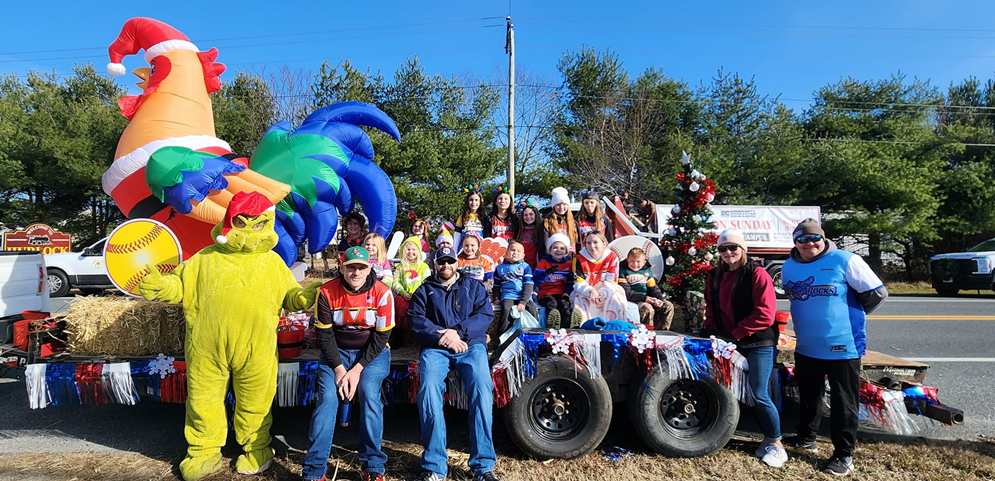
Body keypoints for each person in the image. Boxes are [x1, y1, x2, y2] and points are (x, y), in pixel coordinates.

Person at [781, 219, 888, 477]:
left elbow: (877, 293)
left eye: (814, 238)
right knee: (808, 395)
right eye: (803, 239)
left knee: (843, 402)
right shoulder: (788, 266)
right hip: (807, 344)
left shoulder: (846, 260)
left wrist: (851, 316)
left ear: (824, 238)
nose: (810, 243)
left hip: (843, 344)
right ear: (795, 242)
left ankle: (843, 454)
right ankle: (807, 438)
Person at [302, 246, 394, 481]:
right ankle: (314, 471)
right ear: (342, 267)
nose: (356, 272)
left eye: (361, 267)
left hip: (371, 354)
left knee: (369, 392)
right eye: (351, 267)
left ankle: (373, 467)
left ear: (369, 268)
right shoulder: (325, 292)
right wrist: (340, 369)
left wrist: (357, 369)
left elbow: (382, 337)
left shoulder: (383, 293)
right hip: (336, 354)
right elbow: (324, 335)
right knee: (327, 399)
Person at [408, 246, 499, 481]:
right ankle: (434, 466)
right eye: (441, 261)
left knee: (482, 388)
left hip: (470, 345)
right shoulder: (424, 290)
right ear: (434, 264)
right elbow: (416, 320)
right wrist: (442, 337)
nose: (445, 265)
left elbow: (485, 316)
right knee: (428, 391)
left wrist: (458, 333)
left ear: (456, 262)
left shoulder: (473, 287)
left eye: (450, 261)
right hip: (436, 347)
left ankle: (483, 466)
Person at [700, 230, 785, 468]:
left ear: (743, 249)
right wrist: (710, 331)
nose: (728, 253)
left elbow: (765, 315)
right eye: (722, 249)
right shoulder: (714, 275)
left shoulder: (757, 274)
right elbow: (711, 308)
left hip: (757, 342)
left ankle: (775, 442)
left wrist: (734, 335)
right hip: (728, 340)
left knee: (759, 392)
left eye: (733, 248)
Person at [570, 230, 628, 327]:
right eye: (588, 243)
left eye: (595, 242)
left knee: (616, 296)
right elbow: (578, 283)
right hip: (587, 290)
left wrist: (602, 293)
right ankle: (582, 326)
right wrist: (590, 291)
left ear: (604, 243)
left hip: (606, 289)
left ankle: (614, 327)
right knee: (578, 297)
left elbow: (612, 281)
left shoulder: (612, 257)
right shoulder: (579, 259)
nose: (592, 246)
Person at [619, 247, 674, 330]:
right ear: (627, 260)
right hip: (634, 300)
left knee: (668, 306)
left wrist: (660, 300)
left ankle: (663, 331)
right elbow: (626, 292)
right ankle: (646, 332)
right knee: (647, 308)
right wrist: (644, 298)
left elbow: (653, 288)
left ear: (644, 262)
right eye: (632, 261)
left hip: (647, 298)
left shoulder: (647, 271)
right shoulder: (623, 271)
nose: (635, 264)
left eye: (638, 262)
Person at [493, 240, 538, 337]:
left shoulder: (525, 267)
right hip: (508, 295)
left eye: (519, 251)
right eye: (513, 250)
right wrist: (496, 299)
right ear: (506, 253)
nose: (515, 253)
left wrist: (523, 302)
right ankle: (503, 337)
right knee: (506, 310)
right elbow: (496, 286)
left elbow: (528, 285)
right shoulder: (500, 268)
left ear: (523, 255)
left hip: (523, 296)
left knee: (532, 310)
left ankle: (535, 335)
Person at [535, 233, 574, 329]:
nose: (558, 250)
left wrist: (566, 293)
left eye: (562, 248)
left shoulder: (569, 264)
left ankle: (568, 326)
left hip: (561, 293)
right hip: (545, 293)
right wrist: (546, 273)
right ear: (550, 250)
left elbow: (571, 282)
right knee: (552, 303)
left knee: (564, 304)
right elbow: (536, 279)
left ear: (566, 251)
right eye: (555, 248)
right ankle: (553, 324)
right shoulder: (544, 262)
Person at [393, 236, 431, 332]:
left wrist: (417, 294)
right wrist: (402, 292)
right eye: (408, 249)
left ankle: (417, 333)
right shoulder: (400, 267)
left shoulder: (424, 267)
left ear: (418, 251)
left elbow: (427, 282)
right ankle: (399, 333)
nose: (411, 252)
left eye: (413, 249)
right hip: (404, 296)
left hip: (419, 296)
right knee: (399, 305)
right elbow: (396, 282)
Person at [541, 187, 578, 255]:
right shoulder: (547, 223)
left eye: (564, 204)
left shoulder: (574, 223)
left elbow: (579, 244)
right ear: (554, 206)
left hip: (571, 258)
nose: (561, 207)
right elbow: (543, 245)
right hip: (554, 259)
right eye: (558, 204)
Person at [517, 203, 541, 269]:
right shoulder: (519, 230)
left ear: (535, 215)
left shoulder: (540, 230)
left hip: (536, 264)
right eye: (525, 215)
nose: (528, 217)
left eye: (531, 214)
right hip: (521, 264)